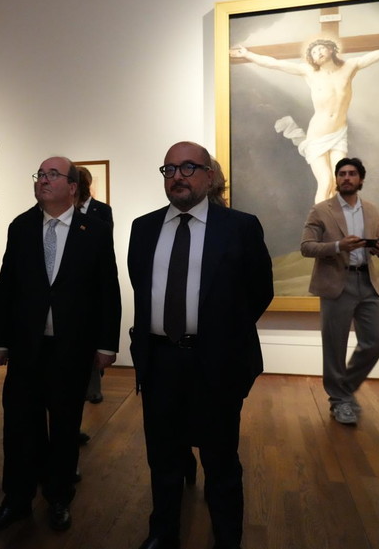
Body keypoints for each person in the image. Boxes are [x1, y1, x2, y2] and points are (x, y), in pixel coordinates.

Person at [128, 141, 274, 549]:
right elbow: (143, 289)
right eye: (169, 169)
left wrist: (224, 335)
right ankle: (163, 533)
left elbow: (260, 291)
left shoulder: (239, 226)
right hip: (159, 361)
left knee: (220, 459)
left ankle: (227, 538)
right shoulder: (143, 228)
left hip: (216, 362)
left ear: (210, 176)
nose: (178, 176)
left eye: (188, 167)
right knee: (163, 457)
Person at [0, 157, 122, 534]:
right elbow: (8, 285)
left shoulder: (94, 230)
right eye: (40, 174)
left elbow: (107, 288)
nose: (43, 180)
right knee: (19, 425)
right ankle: (16, 499)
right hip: (27, 346)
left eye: (52, 175)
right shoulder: (21, 226)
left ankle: (59, 497)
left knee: (64, 425)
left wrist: (107, 344)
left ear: (72, 187)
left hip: (71, 346)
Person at [230, 27, 379, 204]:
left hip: (339, 133)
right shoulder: (309, 72)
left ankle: (334, 226)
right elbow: (273, 63)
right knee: (325, 181)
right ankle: (319, 227)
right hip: (318, 134)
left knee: (339, 182)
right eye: (313, 52)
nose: (317, 53)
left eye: (321, 48)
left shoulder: (350, 66)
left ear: (331, 49)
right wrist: (248, 55)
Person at [300, 157, 379, 425]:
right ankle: (340, 401)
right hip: (336, 283)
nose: (346, 178)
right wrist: (339, 246)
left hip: (367, 281)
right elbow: (306, 247)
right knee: (335, 347)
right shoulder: (321, 210)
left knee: (375, 341)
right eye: (342, 174)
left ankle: (344, 390)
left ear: (361, 179)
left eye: (352, 173)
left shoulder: (371, 210)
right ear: (337, 179)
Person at [75, 165, 114, 405]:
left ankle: (93, 388)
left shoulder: (102, 210)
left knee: (92, 340)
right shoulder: (67, 210)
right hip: (73, 284)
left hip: (93, 282)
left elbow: (105, 244)